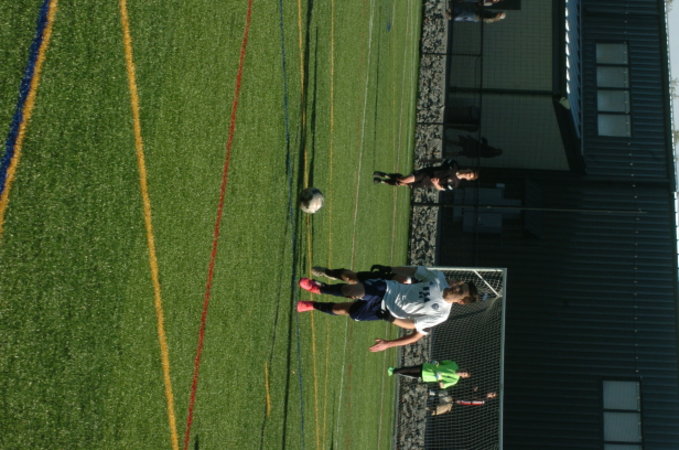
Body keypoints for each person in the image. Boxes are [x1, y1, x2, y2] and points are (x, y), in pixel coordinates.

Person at [297, 266, 479, 352]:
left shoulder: (441, 314)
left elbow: (413, 326)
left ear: (461, 302)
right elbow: (414, 271)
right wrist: (390, 270)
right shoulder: (438, 278)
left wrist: (391, 320)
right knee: (351, 289)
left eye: (460, 291)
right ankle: (318, 287)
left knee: (343, 310)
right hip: (389, 289)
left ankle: (312, 305)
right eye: (459, 285)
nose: (456, 288)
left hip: (387, 310)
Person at [373, 159, 479, 191]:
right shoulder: (454, 164)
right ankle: (387, 175)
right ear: (468, 169)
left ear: (468, 179)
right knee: (404, 180)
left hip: (427, 183)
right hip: (426, 174)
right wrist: (428, 161)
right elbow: (441, 161)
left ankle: (382, 180)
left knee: (402, 184)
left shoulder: (455, 184)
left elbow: (442, 188)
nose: (467, 174)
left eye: (469, 176)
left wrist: (436, 184)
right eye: (469, 172)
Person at [387, 360, 470, 389]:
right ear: (463, 368)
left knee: (409, 373)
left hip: (427, 376)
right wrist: (436, 362)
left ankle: (394, 371)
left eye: (464, 374)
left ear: (463, 377)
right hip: (427, 367)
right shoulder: (453, 364)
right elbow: (441, 362)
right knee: (410, 369)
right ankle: (393, 371)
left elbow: (442, 386)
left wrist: (439, 379)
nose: (462, 373)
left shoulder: (454, 380)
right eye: (464, 371)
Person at [311, 264, 415, 285]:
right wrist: (389, 269)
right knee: (352, 277)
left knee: (353, 289)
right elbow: (415, 270)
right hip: (389, 279)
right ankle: (328, 273)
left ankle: (323, 288)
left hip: (388, 297)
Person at [429, 390, 498, 416]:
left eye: (492, 394)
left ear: (491, 397)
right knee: (444, 392)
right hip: (453, 398)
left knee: (446, 407)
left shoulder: (482, 401)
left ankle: (430, 411)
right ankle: (432, 396)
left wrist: (459, 401)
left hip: (454, 405)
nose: (490, 393)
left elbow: (470, 403)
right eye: (492, 392)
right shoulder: (480, 390)